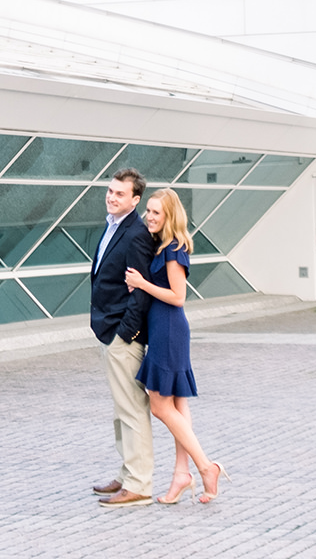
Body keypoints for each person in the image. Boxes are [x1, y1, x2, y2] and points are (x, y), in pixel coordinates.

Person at [124, 188, 227, 504]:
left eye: (157, 212)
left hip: (169, 330)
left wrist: (142, 284)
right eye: (149, 211)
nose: (150, 217)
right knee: (179, 406)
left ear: (170, 216)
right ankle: (181, 475)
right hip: (164, 330)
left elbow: (178, 296)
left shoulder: (173, 250)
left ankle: (206, 467)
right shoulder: (163, 247)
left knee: (159, 406)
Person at [89, 168, 157, 508]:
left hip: (123, 334)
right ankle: (127, 472)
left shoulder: (137, 234)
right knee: (121, 409)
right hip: (109, 330)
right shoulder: (114, 225)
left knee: (132, 409)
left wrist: (126, 333)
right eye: (111, 191)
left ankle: (139, 484)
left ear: (136, 199)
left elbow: (140, 291)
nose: (112, 197)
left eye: (120, 193)